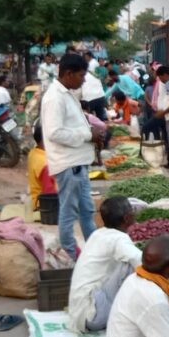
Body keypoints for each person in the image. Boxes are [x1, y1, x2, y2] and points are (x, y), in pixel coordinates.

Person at [41, 53, 102, 259]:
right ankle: (70, 252)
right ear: (68, 74)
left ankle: (93, 251)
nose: (83, 80)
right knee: (69, 211)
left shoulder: (66, 93)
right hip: (69, 165)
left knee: (87, 210)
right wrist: (87, 134)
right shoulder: (54, 98)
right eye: (81, 75)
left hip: (78, 163)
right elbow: (54, 132)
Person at [68, 197, 142, 333]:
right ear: (126, 218)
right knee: (131, 266)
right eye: (132, 211)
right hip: (92, 315)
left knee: (128, 262)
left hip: (79, 312)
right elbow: (141, 261)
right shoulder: (118, 239)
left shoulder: (98, 234)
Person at [153, 65, 169, 169]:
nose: (160, 79)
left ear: (165, 75)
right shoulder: (164, 84)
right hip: (165, 116)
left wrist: (163, 112)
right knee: (168, 141)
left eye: (160, 77)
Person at [28, 124, 57, 210]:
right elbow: (50, 195)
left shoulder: (34, 152)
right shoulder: (45, 164)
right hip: (44, 206)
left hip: (35, 199)